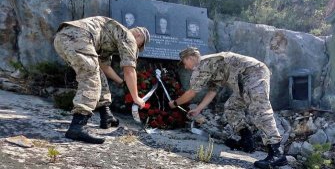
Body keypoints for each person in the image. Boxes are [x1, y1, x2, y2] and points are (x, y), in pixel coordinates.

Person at [168, 47, 287, 169]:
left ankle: (276, 153)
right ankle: (247, 140)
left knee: (260, 110)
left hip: (253, 73)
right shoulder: (210, 65)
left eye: (184, 63)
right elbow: (213, 91)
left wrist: (175, 103)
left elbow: (192, 92)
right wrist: (198, 109)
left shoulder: (203, 64)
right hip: (244, 80)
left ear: (190, 57)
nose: (186, 67)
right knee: (231, 107)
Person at [54, 16, 150, 144]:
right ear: (138, 35)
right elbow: (129, 70)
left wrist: (122, 82)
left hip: (63, 37)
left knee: (97, 72)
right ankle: (77, 127)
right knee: (90, 79)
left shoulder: (112, 34)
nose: (137, 49)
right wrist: (136, 97)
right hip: (78, 38)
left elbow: (104, 66)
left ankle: (106, 115)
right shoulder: (128, 36)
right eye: (140, 45)